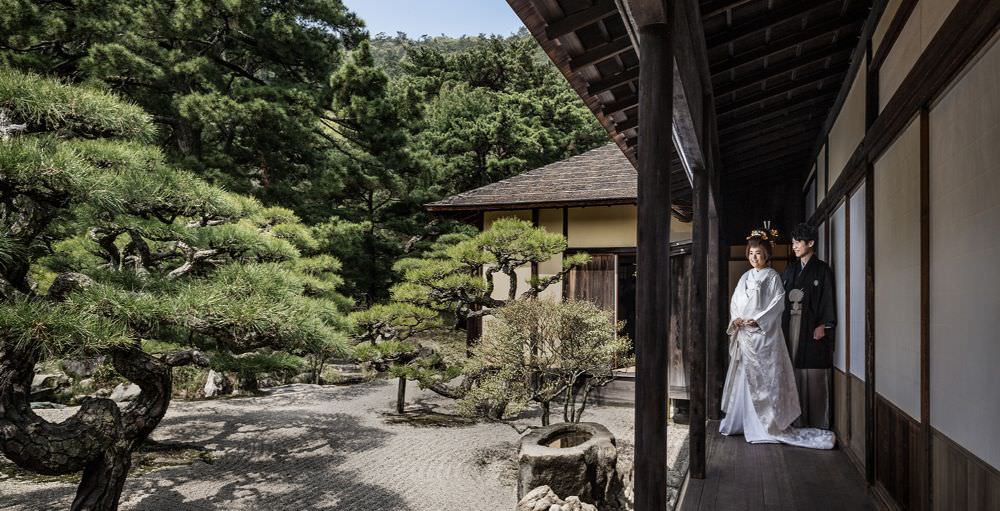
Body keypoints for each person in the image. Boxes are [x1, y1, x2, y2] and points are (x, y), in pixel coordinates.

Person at [719, 235, 834, 449]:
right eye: (751, 254)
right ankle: (744, 421)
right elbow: (735, 302)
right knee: (745, 378)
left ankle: (766, 425)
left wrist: (758, 320)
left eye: (759, 253)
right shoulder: (744, 277)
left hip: (764, 336)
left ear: (766, 256)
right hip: (745, 334)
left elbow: (777, 304)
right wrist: (737, 319)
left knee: (766, 378)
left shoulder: (772, 276)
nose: (755, 257)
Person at [782, 223, 836, 429]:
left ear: (811, 243)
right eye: (793, 242)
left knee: (812, 371)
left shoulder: (822, 269)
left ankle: (816, 421)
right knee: (792, 366)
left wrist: (825, 324)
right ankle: (795, 419)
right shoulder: (791, 269)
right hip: (790, 324)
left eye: (798, 242)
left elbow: (827, 298)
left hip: (811, 325)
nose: (794, 246)